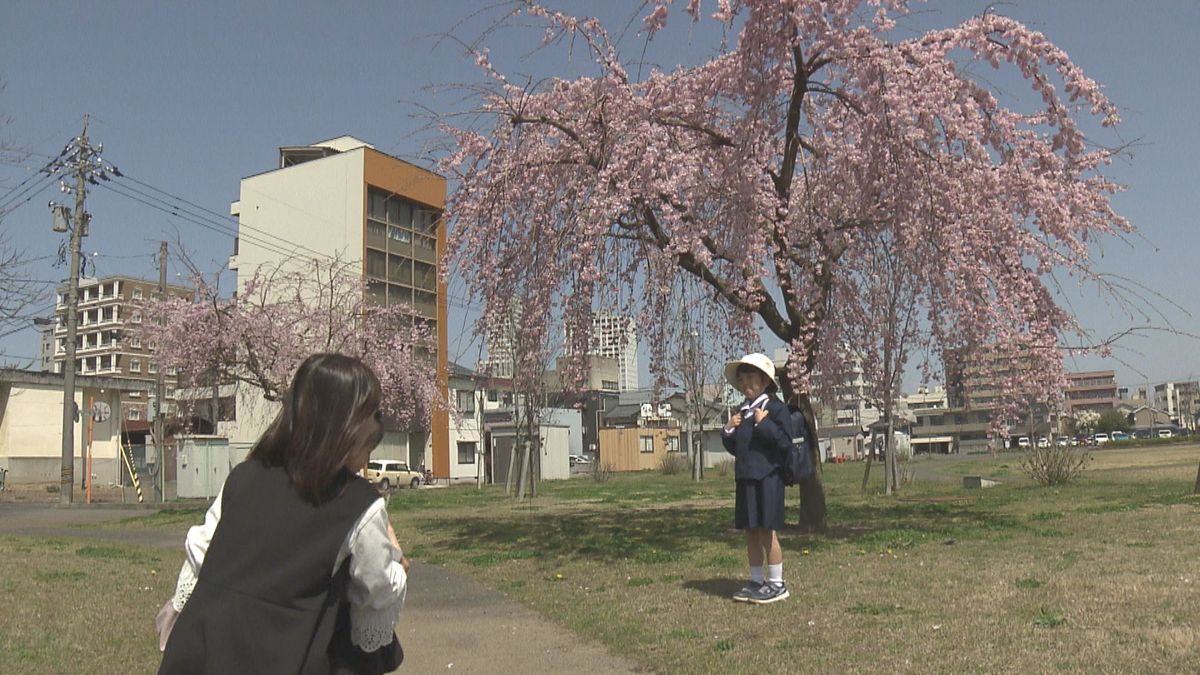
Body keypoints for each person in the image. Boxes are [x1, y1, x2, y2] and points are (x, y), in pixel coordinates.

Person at [158, 353, 408, 674]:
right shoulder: (359, 502)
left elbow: (200, 549)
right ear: (346, 423)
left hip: (203, 649)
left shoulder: (245, 475)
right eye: (373, 413)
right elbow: (375, 588)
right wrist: (397, 563)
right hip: (281, 654)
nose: (380, 422)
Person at [721, 353, 791, 605]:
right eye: (741, 379)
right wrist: (729, 430)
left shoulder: (774, 408)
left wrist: (765, 424)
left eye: (750, 377)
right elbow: (740, 448)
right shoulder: (743, 411)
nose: (745, 384)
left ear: (764, 380)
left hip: (768, 479)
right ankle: (755, 580)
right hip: (746, 479)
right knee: (750, 531)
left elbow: (784, 442)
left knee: (766, 531)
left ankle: (776, 583)